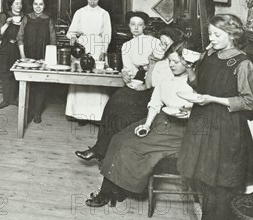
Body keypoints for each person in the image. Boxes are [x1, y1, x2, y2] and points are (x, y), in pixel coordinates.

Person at [85, 41, 196, 207]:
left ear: (187, 63)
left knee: (130, 146)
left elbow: (203, 110)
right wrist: (147, 125)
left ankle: (107, 192)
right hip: (161, 121)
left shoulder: (195, 83)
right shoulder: (167, 78)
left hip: (180, 130)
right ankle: (116, 189)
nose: (171, 65)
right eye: (170, 61)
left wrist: (189, 113)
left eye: (176, 62)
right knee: (118, 138)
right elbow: (155, 102)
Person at [178, 14, 253, 220]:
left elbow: (248, 102)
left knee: (221, 188)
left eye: (216, 34)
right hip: (203, 124)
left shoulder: (243, 63)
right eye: (210, 33)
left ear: (232, 35)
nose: (211, 38)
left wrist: (212, 99)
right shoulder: (209, 54)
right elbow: (199, 86)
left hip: (227, 130)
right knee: (205, 184)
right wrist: (187, 67)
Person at [75, 18, 182, 162]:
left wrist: (144, 84)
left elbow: (154, 87)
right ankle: (100, 149)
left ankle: (108, 153)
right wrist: (150, 65)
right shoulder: (157, 58)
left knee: (125, 108)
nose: (162, 46)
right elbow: (148, 81)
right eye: (161, 42)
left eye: (166, 43)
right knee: (115, 100)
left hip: (158, 97)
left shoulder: (173, 62)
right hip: (150, 90)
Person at [65, 0, 112, 122]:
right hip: (82, 46)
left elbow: (107, 34)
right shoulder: (80, 12)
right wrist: (74, 36)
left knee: (96, 79)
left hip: (97, 47)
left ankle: (97, 116)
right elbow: (71, 32)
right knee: (81, 79)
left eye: (95, 0)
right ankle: (78, 115)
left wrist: (103, 51)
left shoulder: (104, 14)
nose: (92, 2)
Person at [17, 0, 56, 124]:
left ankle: (37, 113)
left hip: (43, 58)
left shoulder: (48, 20)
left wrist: (47, 59)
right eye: (35, 4)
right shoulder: (26, 18)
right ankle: (28, 112)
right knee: (28, 85)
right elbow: (20, 37)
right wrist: (23, 57)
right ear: (32, 5)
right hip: (28, 57)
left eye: (41, 4)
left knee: (41, 85)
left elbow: (53, 41)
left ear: (44, 6)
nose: (38, 7)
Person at [0, 0, 23, 109]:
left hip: (18, 47)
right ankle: (6, 100)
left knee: (16, 73)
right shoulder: (4, 16)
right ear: (11, 5)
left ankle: (14, 99)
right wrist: (8, 22)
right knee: (5, 73)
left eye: (20, 3)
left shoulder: (24, 17)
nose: (19, 6)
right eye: (16, 3)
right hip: (6, 47)